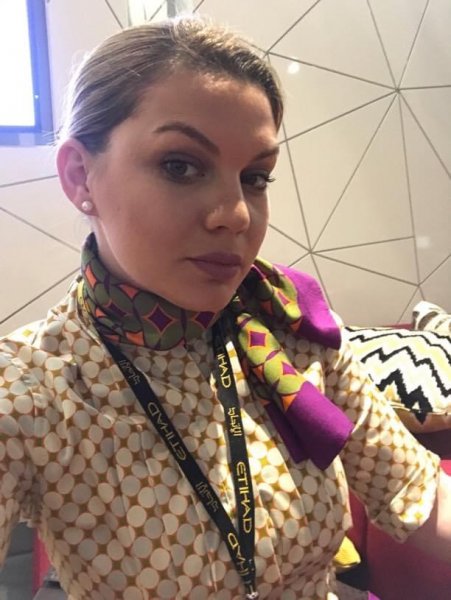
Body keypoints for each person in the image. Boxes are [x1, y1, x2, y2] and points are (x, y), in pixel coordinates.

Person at [0, 17, 450, 600]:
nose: (236, 214)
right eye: (180, 166)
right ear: (80, 175)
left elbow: (419, 495)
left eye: (255, 177)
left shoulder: (294, 332)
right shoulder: (30, 391)